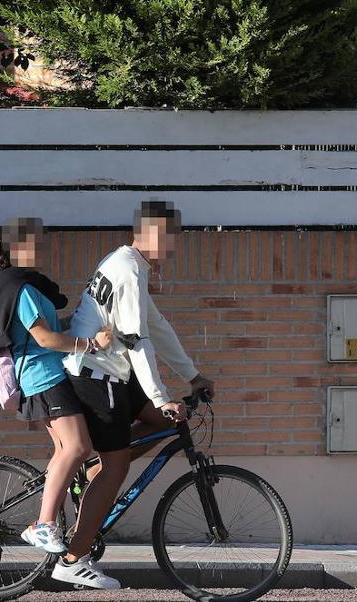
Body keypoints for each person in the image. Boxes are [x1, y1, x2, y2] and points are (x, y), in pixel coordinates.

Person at [51, 200, 216, 589]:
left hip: (114, 374)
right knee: (118, 466)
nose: (174, 246)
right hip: (96, 377)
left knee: (162, 423)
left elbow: (155, 326)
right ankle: (73, 558)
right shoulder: (127, 272)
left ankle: (95, 472)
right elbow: (137, 340)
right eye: (169, 236)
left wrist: (193, 376)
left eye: (176, 237)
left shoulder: (131, 266)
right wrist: (160, 396)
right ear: (147, 233)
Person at [0, 217, 111, 556]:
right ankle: (43, 523)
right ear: (16, 247)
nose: (43, 248)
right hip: (44, 378)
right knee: (78, 447)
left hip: (45, 375)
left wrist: (82, 324)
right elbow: (46, 339)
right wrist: (89, 344)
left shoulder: (23, 286)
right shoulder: (21, 288)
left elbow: (48, 329)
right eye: (36, 242)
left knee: (69, 449)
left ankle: (54, 508)